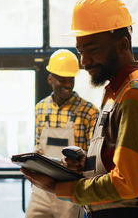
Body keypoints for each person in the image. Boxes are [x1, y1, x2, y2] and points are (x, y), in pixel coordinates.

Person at [22, 0, 138, 218]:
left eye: (92, 50)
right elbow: (116, 163)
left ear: (123, 44)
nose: (84, 61)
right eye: (81, 52)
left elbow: (126, 184)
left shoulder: (135, 96)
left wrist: (57, 187)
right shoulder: (115, 94)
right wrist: (86, 165)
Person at [25, 49, 99, 218]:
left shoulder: (89, 112)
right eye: (62, 79)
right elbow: (39, 146)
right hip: (41, 190)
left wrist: (81, 162)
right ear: (50, 79)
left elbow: (94, 158)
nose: (67, 84)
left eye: (70, 79)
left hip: (70, 191)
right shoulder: (40, 109)